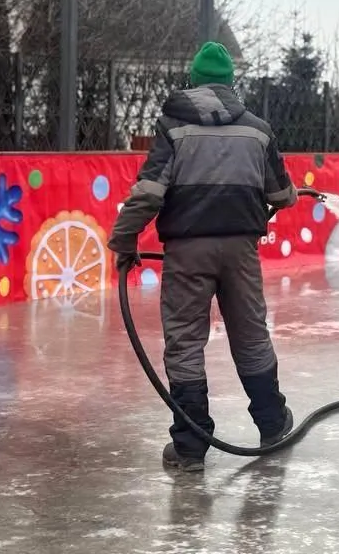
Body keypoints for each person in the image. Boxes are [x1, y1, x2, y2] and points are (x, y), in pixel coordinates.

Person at [108, 41, 298, 473]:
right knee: (251, 336)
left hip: (187, 254)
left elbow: (149, 193)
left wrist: (124, 238)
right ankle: (272, 424)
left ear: (193, 82)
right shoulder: (258, 129)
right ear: (231, 83)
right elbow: (281, 195)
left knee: (185, 342)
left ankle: (190, 448)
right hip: (241, 254)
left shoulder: (173, 127)